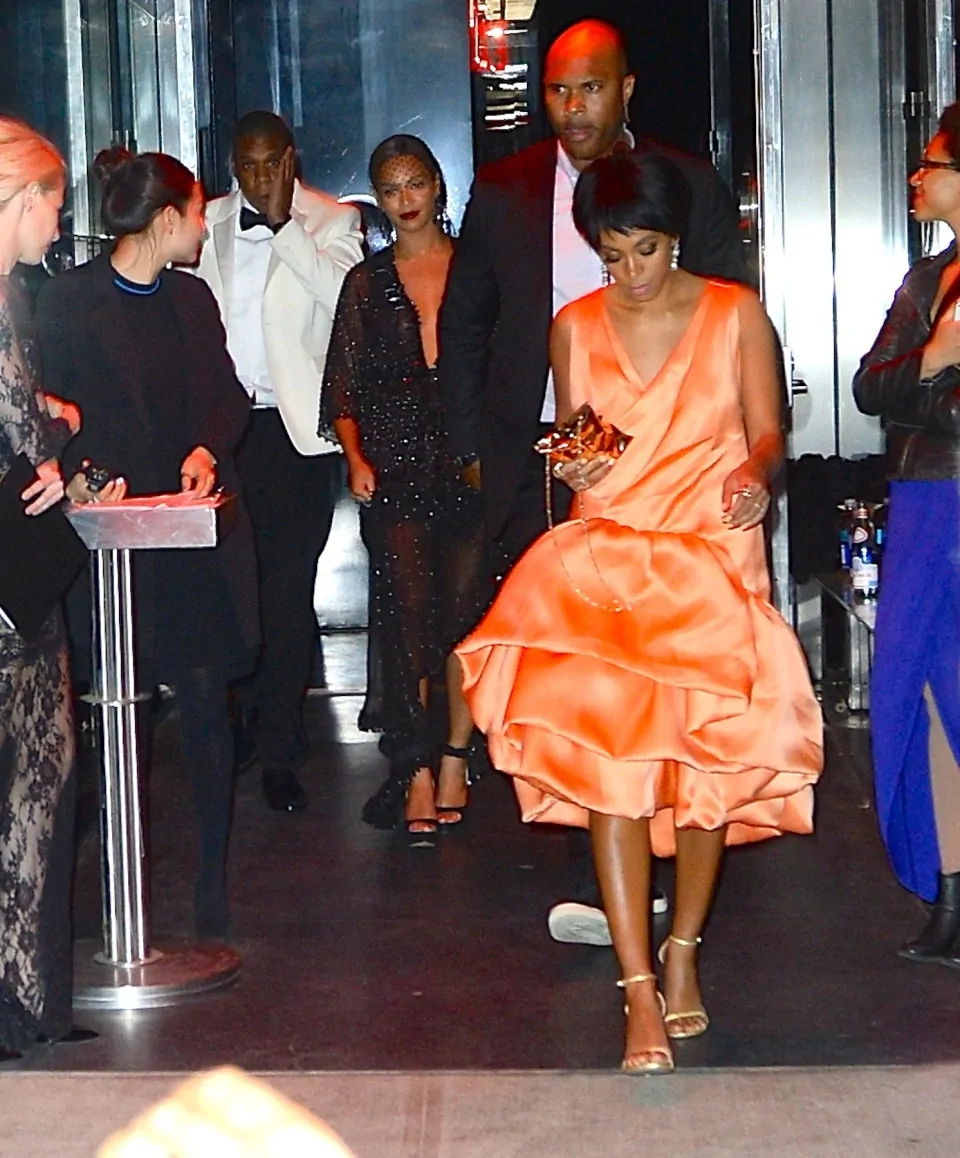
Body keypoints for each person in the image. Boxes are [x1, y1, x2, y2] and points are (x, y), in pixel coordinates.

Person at [456, 149, 823, 1073]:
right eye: (612, 254)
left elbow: (768, 431)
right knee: (614, 773)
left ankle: (684, 949)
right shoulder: (574, 325)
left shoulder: (735, 313)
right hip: (611, 558)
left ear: (676, 236)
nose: (630, 271)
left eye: (645, 249)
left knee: (704, 776)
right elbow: (584, 436)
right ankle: (638, 988)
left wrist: (755, 473)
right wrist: (575, 459)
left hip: (711, 558)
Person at [439, 18, 747, 939]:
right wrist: (472, 444)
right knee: (578, 673)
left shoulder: (686, 183)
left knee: (661, 674)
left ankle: (667, 857)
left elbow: (732, 316)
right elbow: (465, 323)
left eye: (590, 88)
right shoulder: (504, 188)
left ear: (627, 89)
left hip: (671, 468)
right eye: (558, 91)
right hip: (540, 456)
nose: (572, 108)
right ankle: (601, 873)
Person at [36, 147, 259, 942]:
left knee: (205, 707)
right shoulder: (69, 300)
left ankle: (210, 884)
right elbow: (45, 411)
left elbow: (229, 396)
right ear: (167, 220)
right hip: (107, 546)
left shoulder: (192, 299)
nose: (205, 226)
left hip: (186, 534)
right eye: (197, 212)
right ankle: (105, 887)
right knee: (109, 715)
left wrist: (206, 447)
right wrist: (82, 475)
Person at [195, 111, 364, 813]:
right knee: (228, 590)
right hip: (220, 433)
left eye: (271, 163)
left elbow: (345, 299)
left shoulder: (334, 220)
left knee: (286, 592)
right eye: (248, 165)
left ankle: (280, 749)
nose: (259, 177)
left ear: (291, 158)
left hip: (294, 436)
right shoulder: (205, 221)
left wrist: (283, 225)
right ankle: (235, 724)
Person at [322, 136, 485, 845]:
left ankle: (456, 757)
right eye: (390, 189)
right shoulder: (366, 281)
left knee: (468, 617)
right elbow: (342, 382)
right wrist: (356, 457)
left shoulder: (477, 269)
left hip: (468, 460)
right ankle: (416, 765)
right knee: (409, 615)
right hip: (394, 465)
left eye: (415, 183)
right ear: (379, 200)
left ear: (437, 185)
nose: (405, 199)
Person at [0, 116, 99, 1060]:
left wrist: (46, 421)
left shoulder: (11, 298)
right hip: (12, 583)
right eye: (56, 205)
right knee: (36, 776)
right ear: (24, 199)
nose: (60, 224)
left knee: (36, 777)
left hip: (19, 575)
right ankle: (24, 999)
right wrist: (55, 440)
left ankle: (27, 1000)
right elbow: (24, 438)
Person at [852, 103, 960, 968]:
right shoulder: (928, 280)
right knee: (917, 686)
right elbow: (870, 386)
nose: (918, 177)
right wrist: (934, 361)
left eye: (933, 164)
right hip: (927, 498)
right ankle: (950, 889)